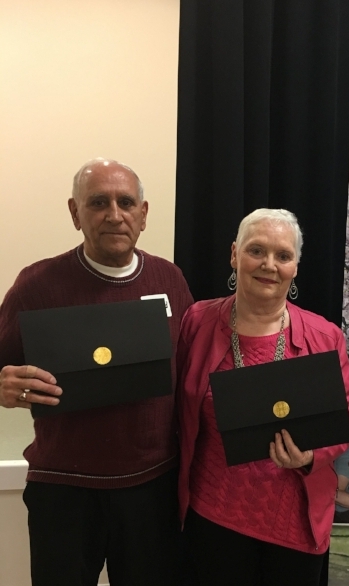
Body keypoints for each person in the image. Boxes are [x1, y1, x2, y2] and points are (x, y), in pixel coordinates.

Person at [0, 158, 194, 586]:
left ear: (143, 215)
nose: (114, 214)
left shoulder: (170, 279)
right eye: (98, 202)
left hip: (151, 489)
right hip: (63, 491)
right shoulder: (36, 285)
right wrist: (2, 386)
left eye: (126, 202)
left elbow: (190, 375)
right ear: (75, 212)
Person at [177, 208, 349, 586]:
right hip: (213, 517)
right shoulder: (197, 322)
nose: (269, 265)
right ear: (234, 254)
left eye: (283, 255)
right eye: (256, 251)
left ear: (295, 266)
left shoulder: (324, 336)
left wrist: (312, 454)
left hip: (292, 524)